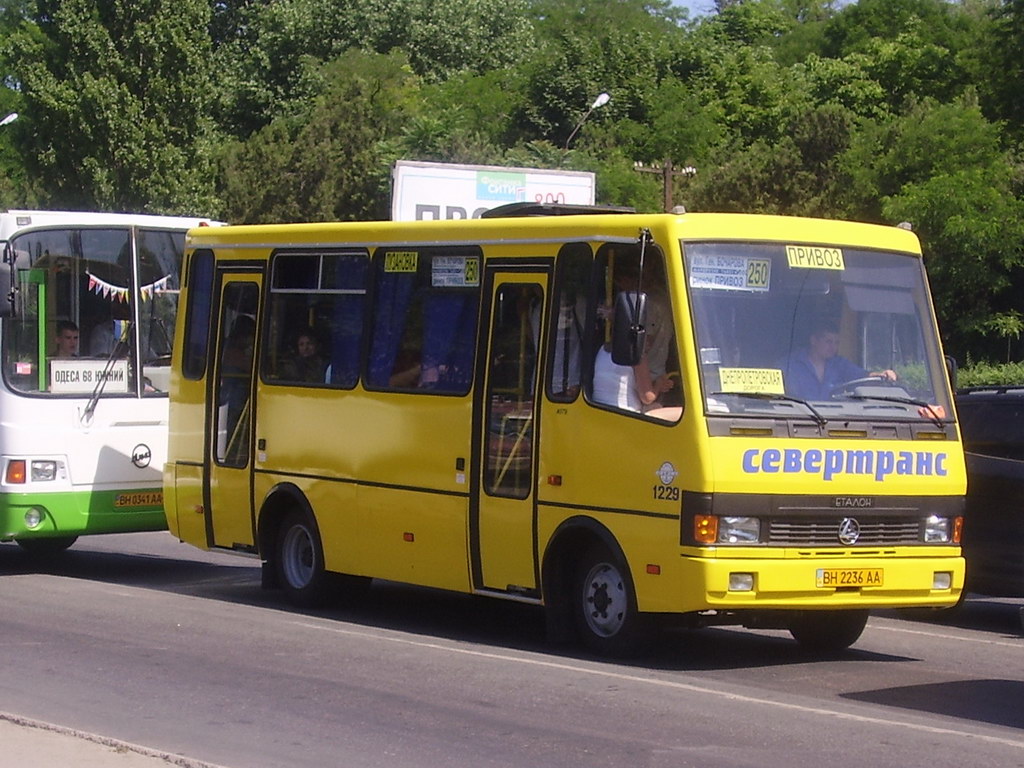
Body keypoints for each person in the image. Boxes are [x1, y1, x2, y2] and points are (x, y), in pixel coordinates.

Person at [781, 319, 896, 400]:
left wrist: (882, 375)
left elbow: (863, 377)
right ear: (814, 340)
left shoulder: (840, 364)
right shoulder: (789, 365)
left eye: (836, 343)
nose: (833, 347)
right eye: (828, 342)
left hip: (835, 419)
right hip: (800, 419)